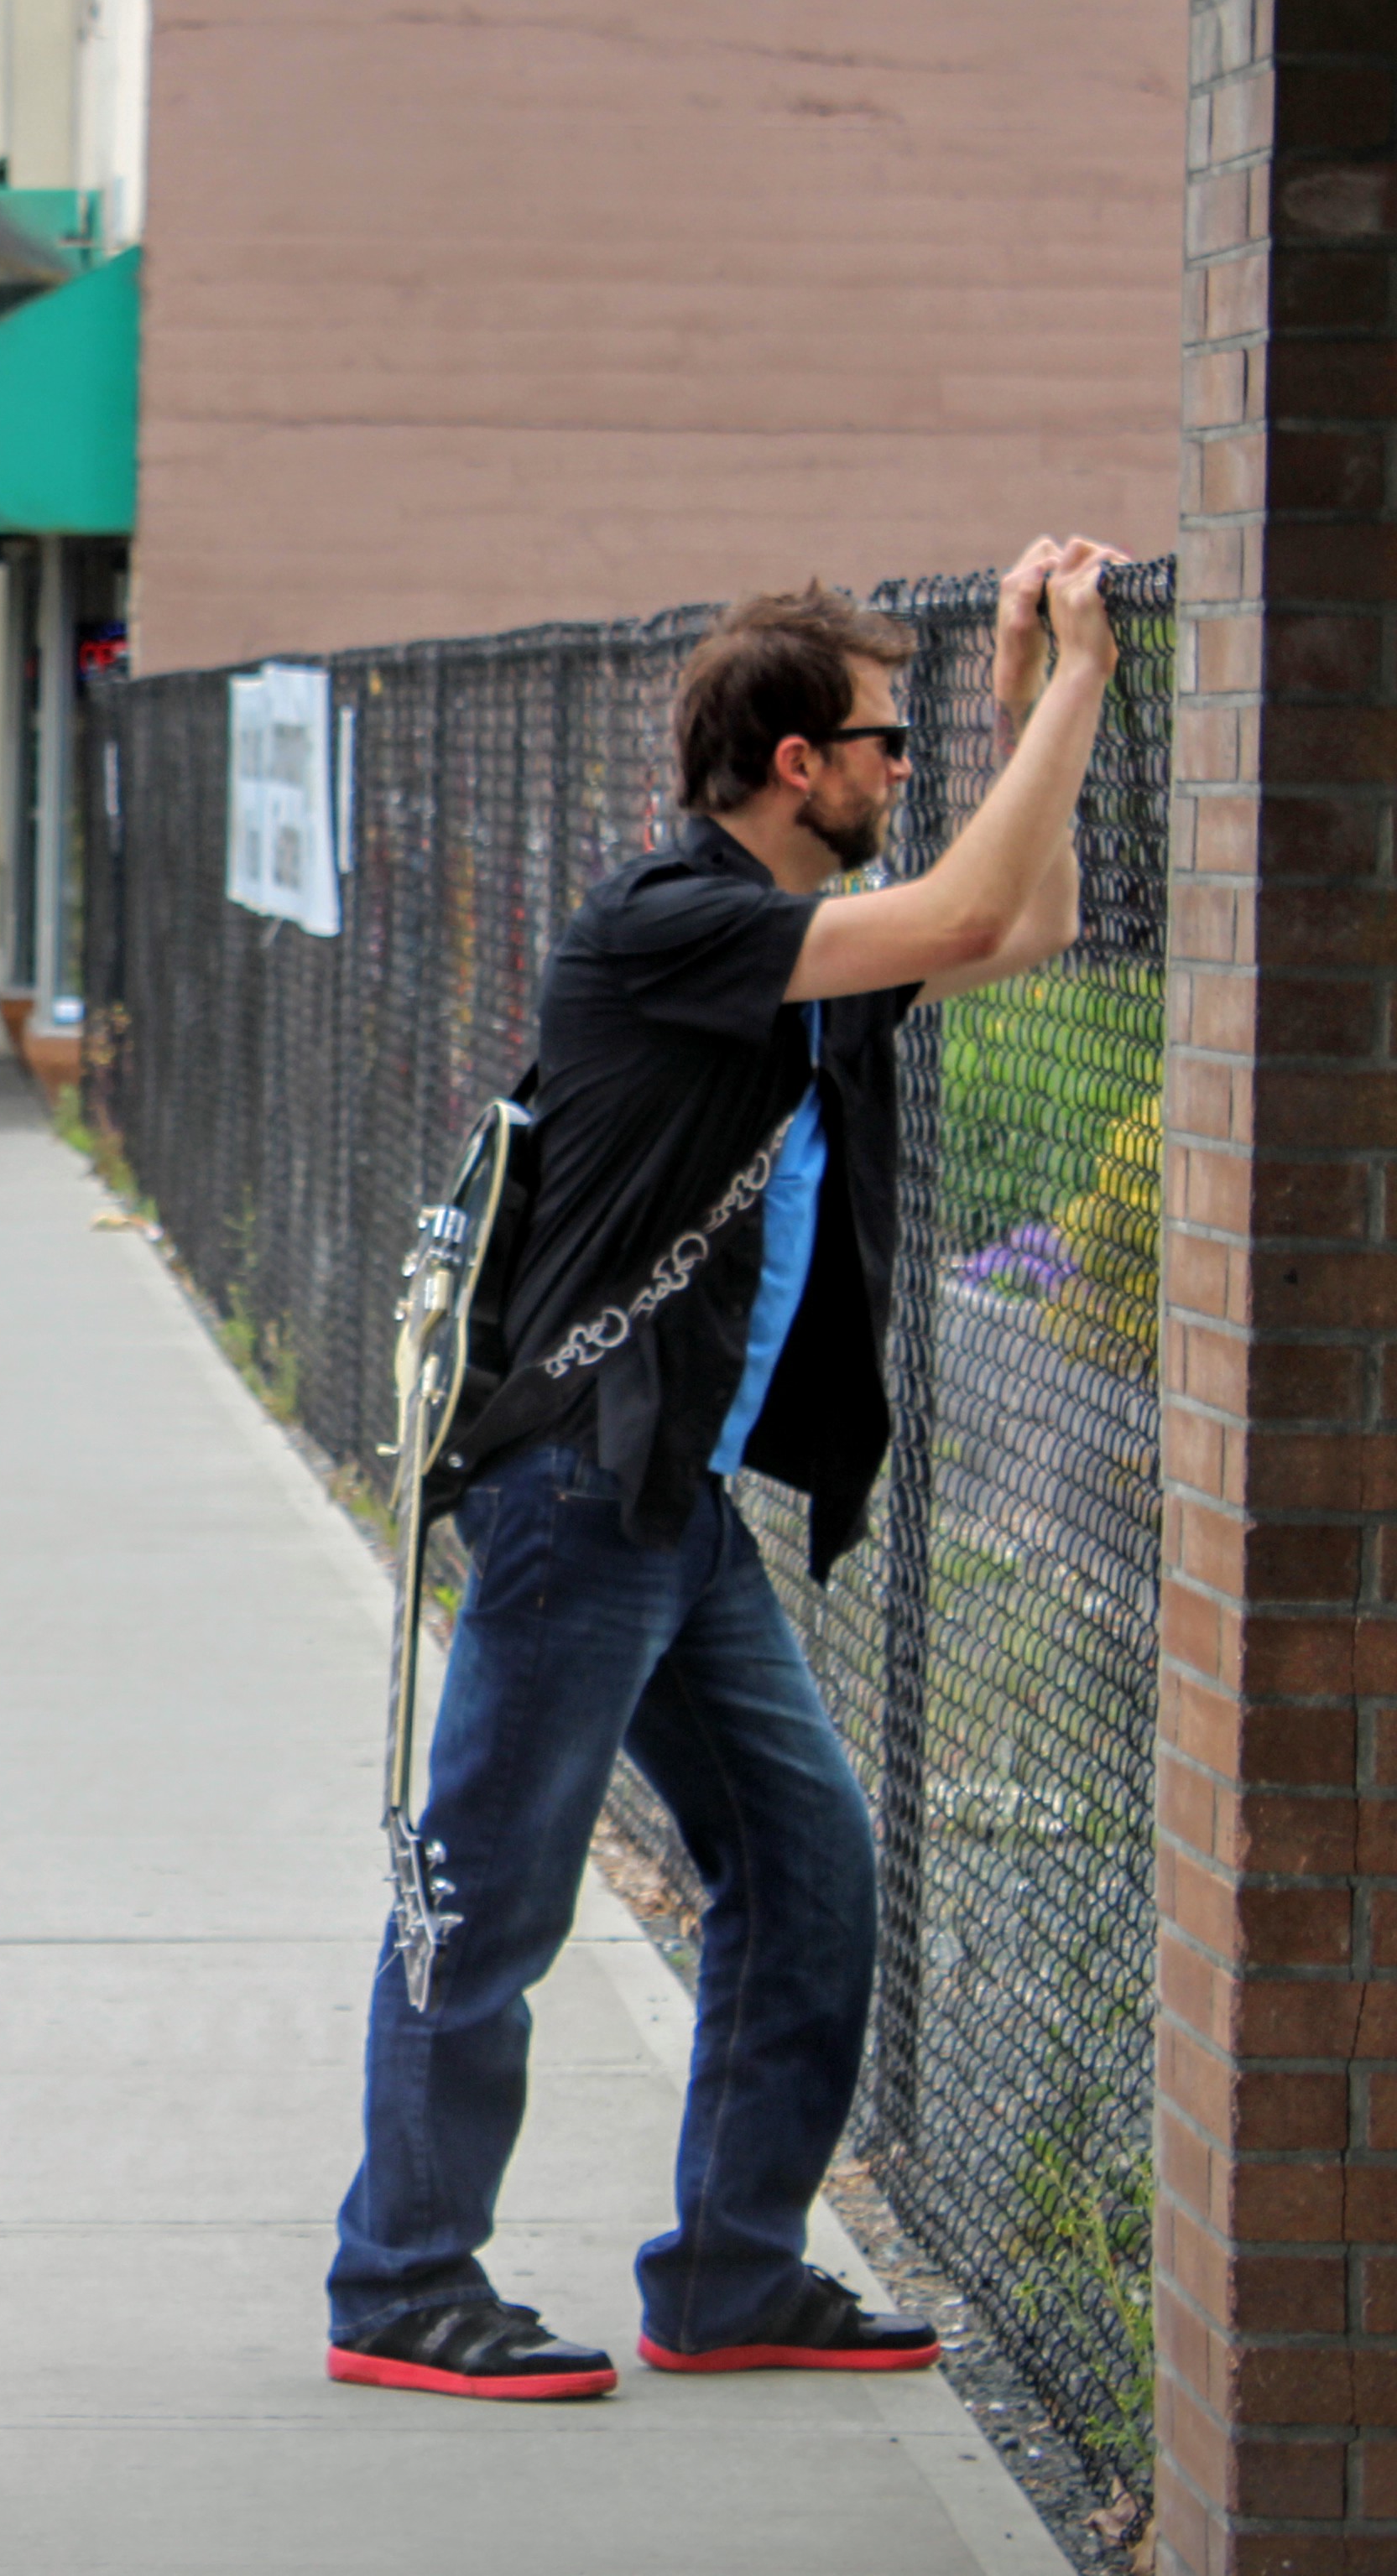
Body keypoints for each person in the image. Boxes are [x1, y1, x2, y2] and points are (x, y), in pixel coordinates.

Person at [324, 537, 1125, 2402]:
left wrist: (1030, 707)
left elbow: (1021, 925)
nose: (904, 768)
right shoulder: (673, 926)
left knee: (809, 1864)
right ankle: (401, 2281)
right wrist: (1079, 681)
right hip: (573, 1496)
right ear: (794, 764)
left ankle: (732, 2272)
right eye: (889, 741)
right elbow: (960, 912)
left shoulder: (808, 955)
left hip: (667, 1509)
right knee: (489, 1887)